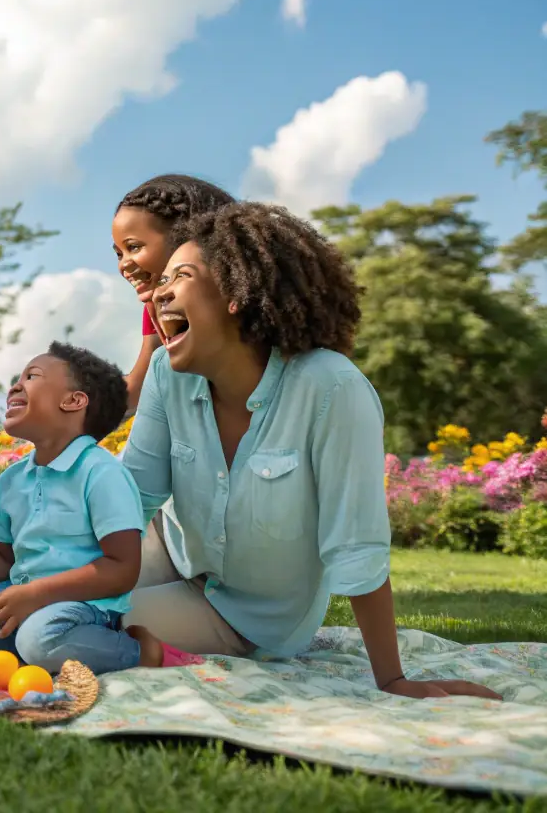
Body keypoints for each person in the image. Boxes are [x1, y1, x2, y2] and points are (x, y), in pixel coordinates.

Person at [120, 202, 501, 700]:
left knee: (62, 627)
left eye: (181, 276)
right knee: (36, 588)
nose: (159, 291)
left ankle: (156, 650)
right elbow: (130, 498)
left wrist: (392, 679)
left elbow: (356, 544)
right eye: (162, 278)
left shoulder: (330, 387)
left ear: (235, 293)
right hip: (167, 549)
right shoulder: (169, 376)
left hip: (246, 615)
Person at [0, 342, 200, 673]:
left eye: (32, 376)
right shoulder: (12, 479)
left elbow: (122, 570)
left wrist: (37, 593)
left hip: (82, 605)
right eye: (19, 376)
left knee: (40, 640)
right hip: (19, 595)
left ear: (73, 401)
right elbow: (1, 554)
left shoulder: (103, 473)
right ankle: (28, 643)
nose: (16, 384)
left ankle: (139, 651)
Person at [111, 174, 235, 413]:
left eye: (133, 247)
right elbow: (139, 387)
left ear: (186, 239)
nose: (124, 265)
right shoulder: (156, 310)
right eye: (119, 253)